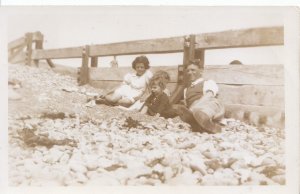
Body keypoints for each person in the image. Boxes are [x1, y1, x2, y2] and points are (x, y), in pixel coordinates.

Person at [175, 62, 225, 133]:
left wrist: (194, 107)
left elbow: (209, 96)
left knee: (208, 106)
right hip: (194, 110)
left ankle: (204, 120)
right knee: (189, 110)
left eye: (193, 70)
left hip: (210, 105)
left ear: (201, 71)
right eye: (188, 71)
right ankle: (205, 125)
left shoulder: (207, 82)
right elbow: (187, 105)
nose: (189, 72)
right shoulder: (186, 90)